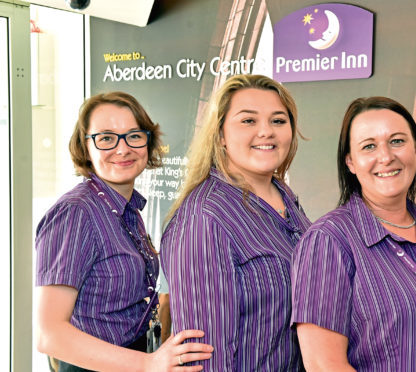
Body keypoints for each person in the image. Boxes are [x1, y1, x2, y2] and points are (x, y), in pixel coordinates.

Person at [291, 96, 416, 371]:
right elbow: (324, 364)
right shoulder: (328, 240)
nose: (385, 157)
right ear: (351, 162)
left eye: (397, 141)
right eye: (369, 146)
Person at [35, 91, 213, 372]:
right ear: (85, 147)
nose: (123, 148)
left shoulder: (125, 208)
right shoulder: (76, 213)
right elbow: (50, 335)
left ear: (148, 141)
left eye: (134, 135)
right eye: (106, 138)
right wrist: (148, 364)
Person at [161, 74, 311, 371]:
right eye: (248, 121)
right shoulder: (204, 219)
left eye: (278, 121)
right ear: (220, 135)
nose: (266, 132)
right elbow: (206, 358)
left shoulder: (284, 195)